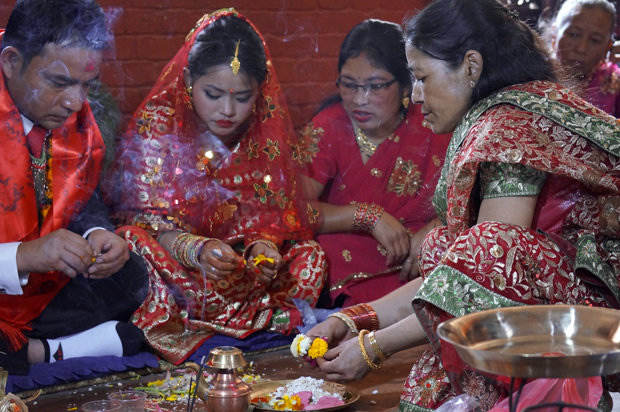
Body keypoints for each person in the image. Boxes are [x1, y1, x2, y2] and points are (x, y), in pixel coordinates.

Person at [307, 0, 620, 409]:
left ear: (471, 67)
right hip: (562, 303)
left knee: (481, 245)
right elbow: (457, 271)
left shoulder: (510, 123)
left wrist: (372, 349)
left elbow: (486, 264)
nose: (415, 96)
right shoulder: (504, 112)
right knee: (442, 245)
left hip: (600, 324)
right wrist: (351, 320)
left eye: (421, 77)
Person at [103, 8, 326, 364]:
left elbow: (269, 217)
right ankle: (235, 326)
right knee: (131, 241)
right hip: (183, 279)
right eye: (213, 93)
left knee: (310, 255)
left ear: (260, 90)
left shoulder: (261, 133)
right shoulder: (159, 124)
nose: (228, 110)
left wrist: (263, 251)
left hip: (239, 278)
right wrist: (197, 250)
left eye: (242, 98)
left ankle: (228, 325)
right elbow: (147, 222)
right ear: (189, 78)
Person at [0, 0, 148, 375]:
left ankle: (29, 349)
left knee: (131, 273)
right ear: (11, 61)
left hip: (40, 291)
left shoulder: (70, 115)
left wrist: (98, 233)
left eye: (87, 85)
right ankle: (44, 352)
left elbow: (81, 196)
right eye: (59, 82)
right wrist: (23, 256)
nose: (76, 102)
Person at [298, 19, 450, 308]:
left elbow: (468, 202)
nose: (359, 100)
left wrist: (436, 228)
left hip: (417, 257)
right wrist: (367, 217)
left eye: (375, 86)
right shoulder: (329, 127)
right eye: (349, 85)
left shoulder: (431, 124)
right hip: (349, 256)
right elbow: (293, 211)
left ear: (406, 84)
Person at [544, 0, 619, 117]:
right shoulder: (534, 73)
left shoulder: (615, 82)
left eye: (595, 40)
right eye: (573, 34)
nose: (581, 49)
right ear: (554, 35)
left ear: (607, 47)